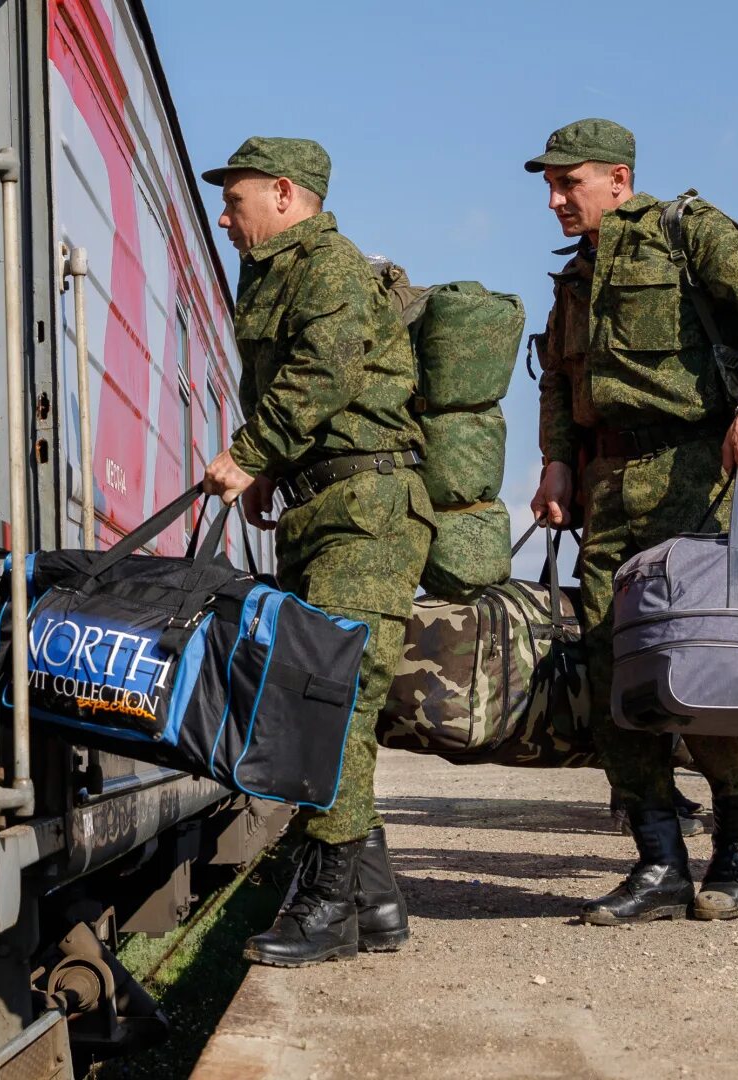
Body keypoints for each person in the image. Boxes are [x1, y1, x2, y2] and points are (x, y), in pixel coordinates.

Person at [527, 118, 738, 924]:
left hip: (694, 472)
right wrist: (557, 459)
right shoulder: (575, 275)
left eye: (567, 183)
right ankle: (659, 860)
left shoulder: (684, 232)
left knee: (700, 665)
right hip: (606, 483)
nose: (554, 201)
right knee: (610, 669)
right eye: (548, 187)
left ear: (617, 179)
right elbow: (557, 375)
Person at [199, 137, 434, 964]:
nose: (226, 218)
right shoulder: (270, 271)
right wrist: (275, 471)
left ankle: (327, 907)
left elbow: (319, 377)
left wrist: (252, 452)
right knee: (310, 693)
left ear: (287, 195)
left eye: (237, 201)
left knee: (337, 699)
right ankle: (375, 906)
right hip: (319, 503)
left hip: (368, 511)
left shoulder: (330, 265)